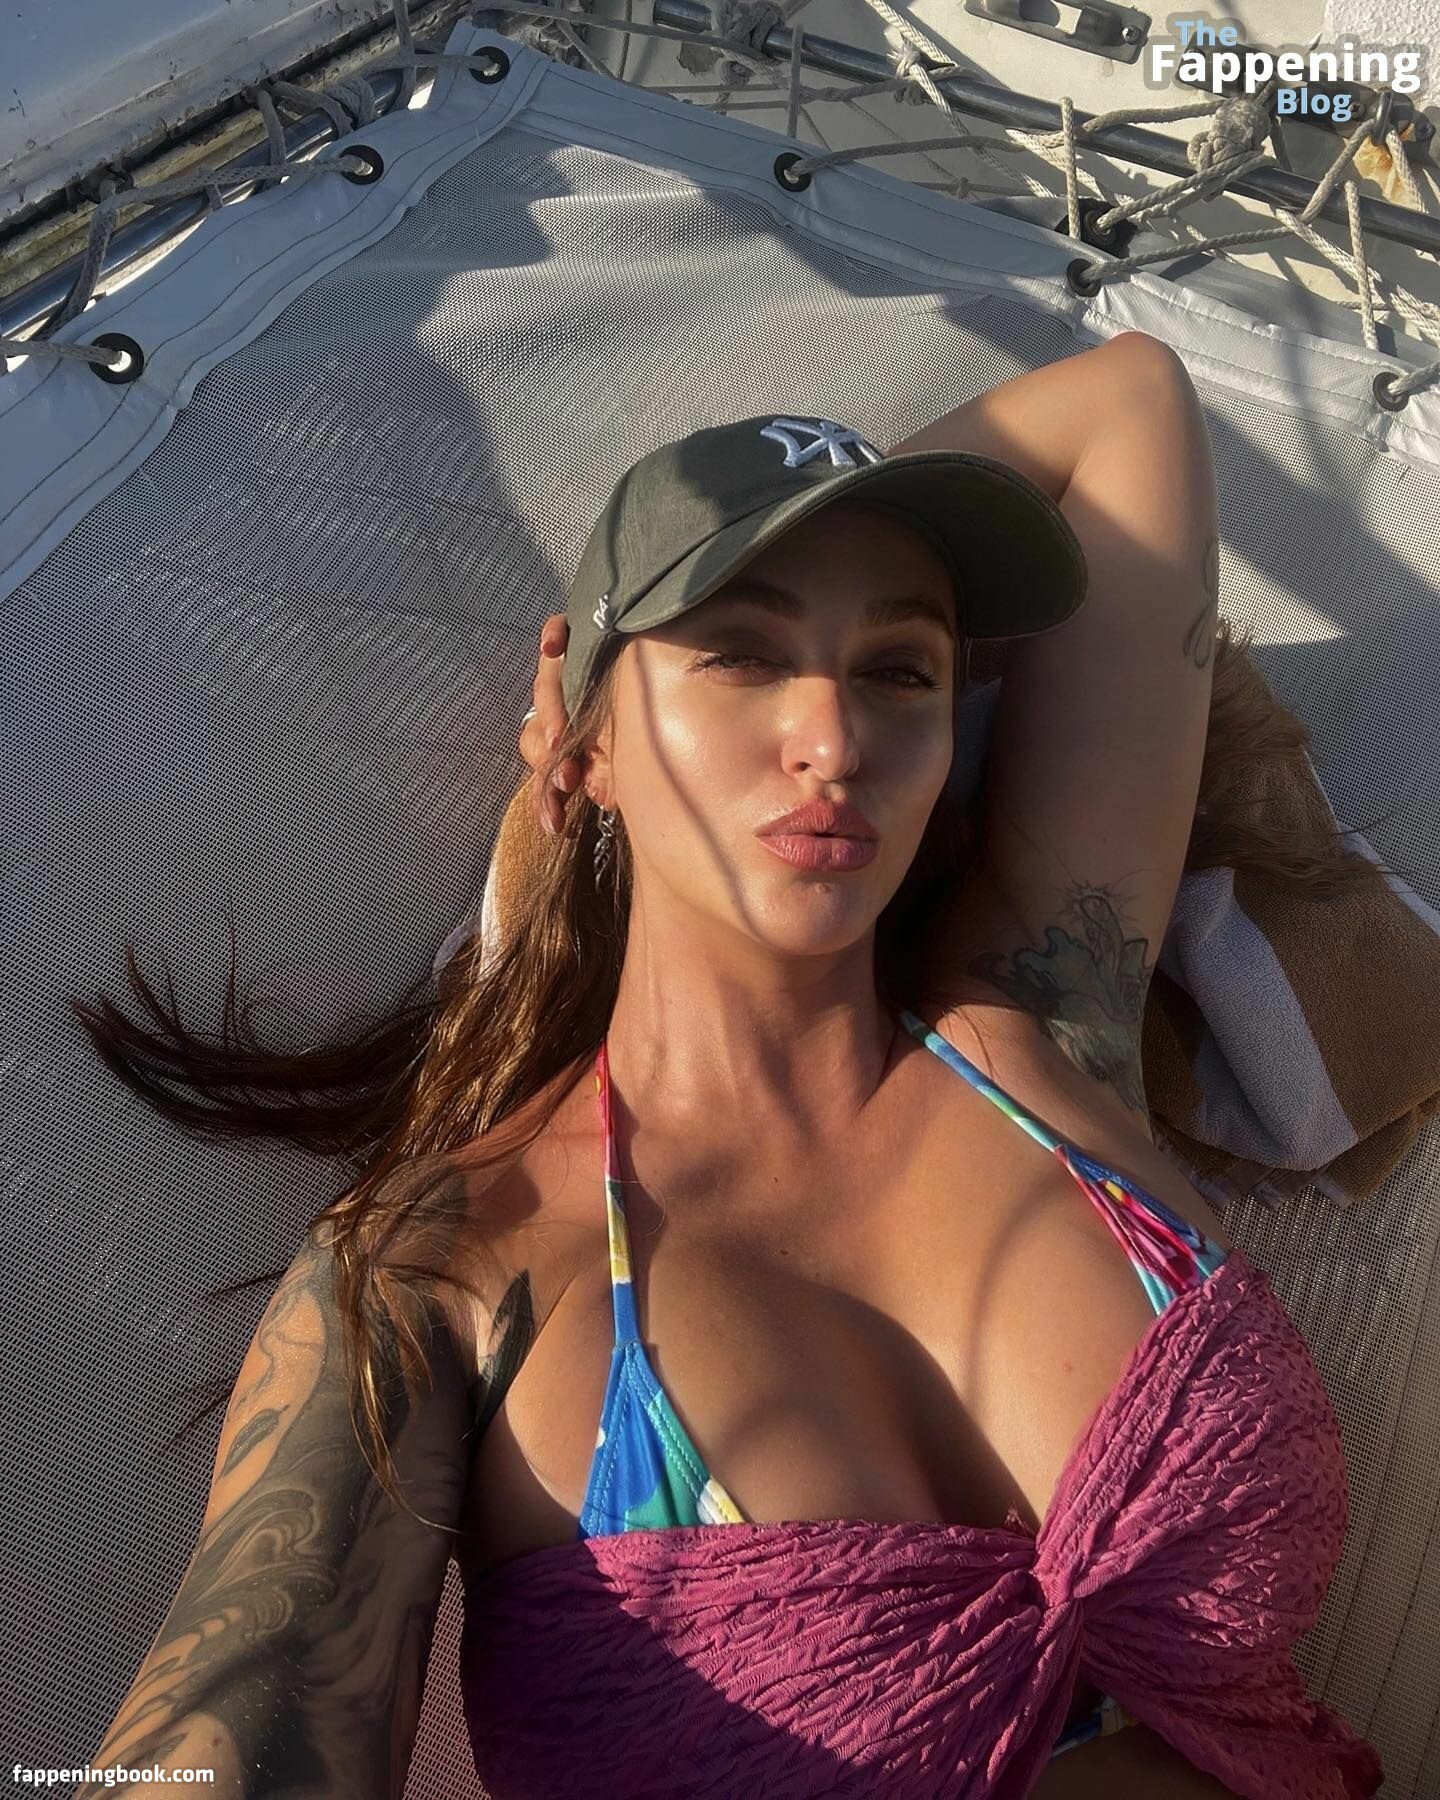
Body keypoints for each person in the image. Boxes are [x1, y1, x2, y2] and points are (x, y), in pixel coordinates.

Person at [77, 334, 1384, 1799]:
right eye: (743, 652)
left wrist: (802, 508)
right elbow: (233, 1710)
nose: (834, 737)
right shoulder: (447, 1269)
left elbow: (1128, 399)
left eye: (900, 667)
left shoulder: (1036, 1027)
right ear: (584, 741)